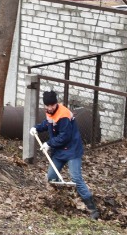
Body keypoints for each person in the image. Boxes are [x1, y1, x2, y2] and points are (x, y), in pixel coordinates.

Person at [34, 90, 99, 220]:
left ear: (56, 103)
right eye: (47, 106)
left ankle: (92, 209)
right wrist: (37, 128)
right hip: (59, 152)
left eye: (52, 105)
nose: (50, 108)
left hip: (72, 150)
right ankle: (62, 200)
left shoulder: (63, 114)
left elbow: (65, 136)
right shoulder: (50, 112)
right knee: (52, 177)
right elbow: (48, 123)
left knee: (76, 178)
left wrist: (49, 143)